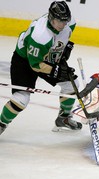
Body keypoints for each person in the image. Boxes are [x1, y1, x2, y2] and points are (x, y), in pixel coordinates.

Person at [0, 1, 82, 135]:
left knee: (71, 85)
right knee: (22, 98)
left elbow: (62, 37)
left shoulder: (69, 23)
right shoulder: (40, 36)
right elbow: (36, 65)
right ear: (51, 18)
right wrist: (56, 70)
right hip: (25, 60)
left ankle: (64, 118)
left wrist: (64, 49)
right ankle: (1, 123)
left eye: (65, 20)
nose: (63, 24)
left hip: (46, 55)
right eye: (60, 21)